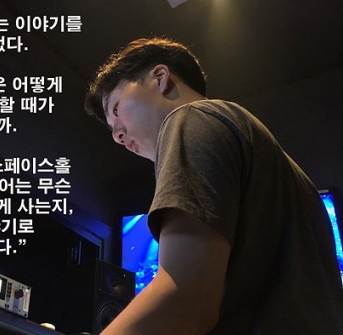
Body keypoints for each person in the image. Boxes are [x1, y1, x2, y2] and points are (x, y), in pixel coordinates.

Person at [84, 38, 343, 334]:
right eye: (111, 130)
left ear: (160, 78)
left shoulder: (189, 119)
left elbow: (184, 302)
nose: (117, 135)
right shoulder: (289, 174)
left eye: (116, 109)